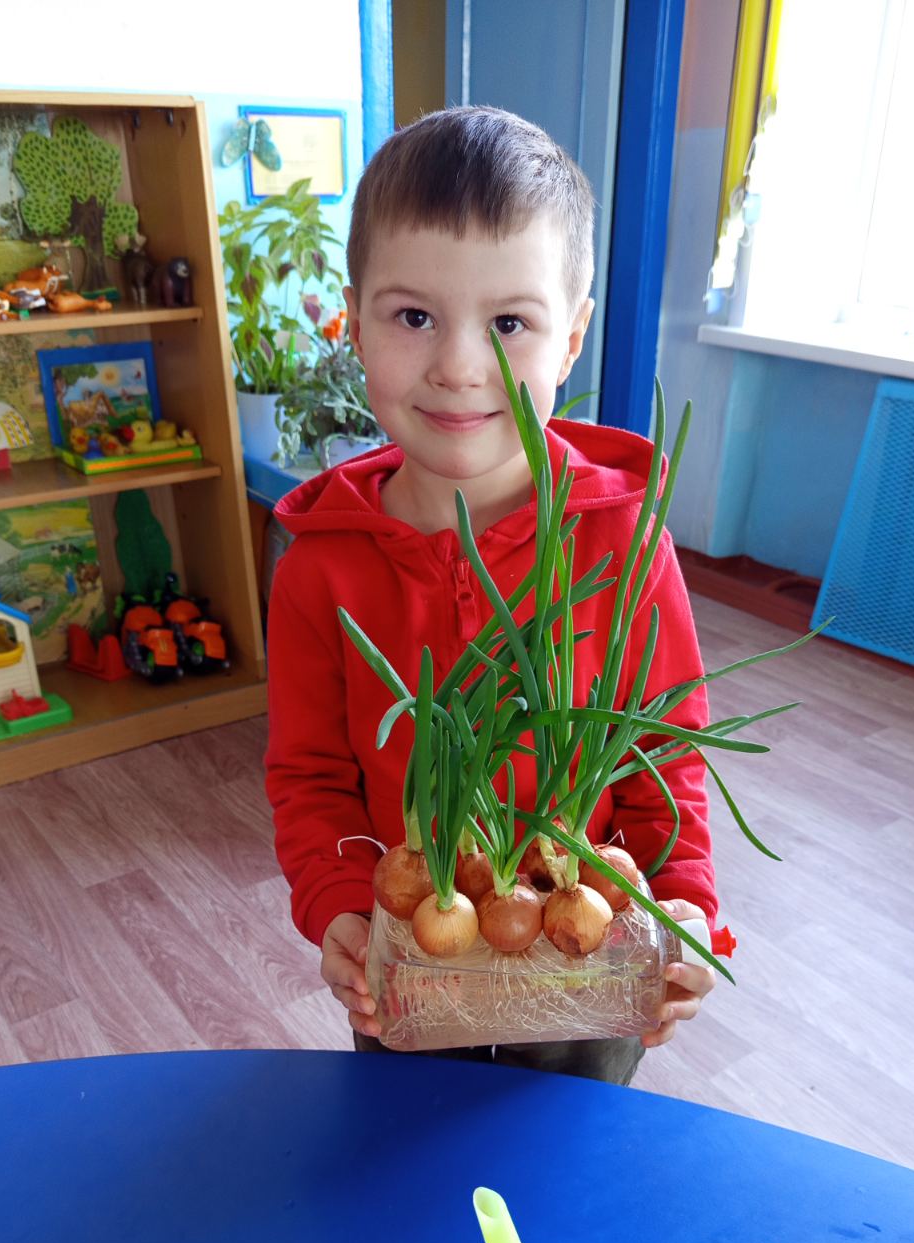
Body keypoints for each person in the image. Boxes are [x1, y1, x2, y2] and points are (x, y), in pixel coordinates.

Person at [265, 107, 720, 1086]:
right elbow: (309, 777)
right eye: (413, 316)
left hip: (582, 962)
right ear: (353, 319)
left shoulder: (624, 544)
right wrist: (339, 904)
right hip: (410, 964)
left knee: (570, 1154)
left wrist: (682, 901)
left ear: (572, 336)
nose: (459, 367)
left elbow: (667, 756)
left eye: (508, 323)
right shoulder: (317, 568)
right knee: (409, 1153)